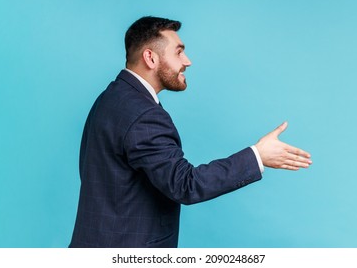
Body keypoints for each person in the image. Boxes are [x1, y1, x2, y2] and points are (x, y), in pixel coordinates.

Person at [69, 16, 312, 248]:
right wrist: (258, 155)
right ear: (150, 58)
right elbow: (185, 184)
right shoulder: (144, 115)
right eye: (178, 51)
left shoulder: (110, 98)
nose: (187, 61)